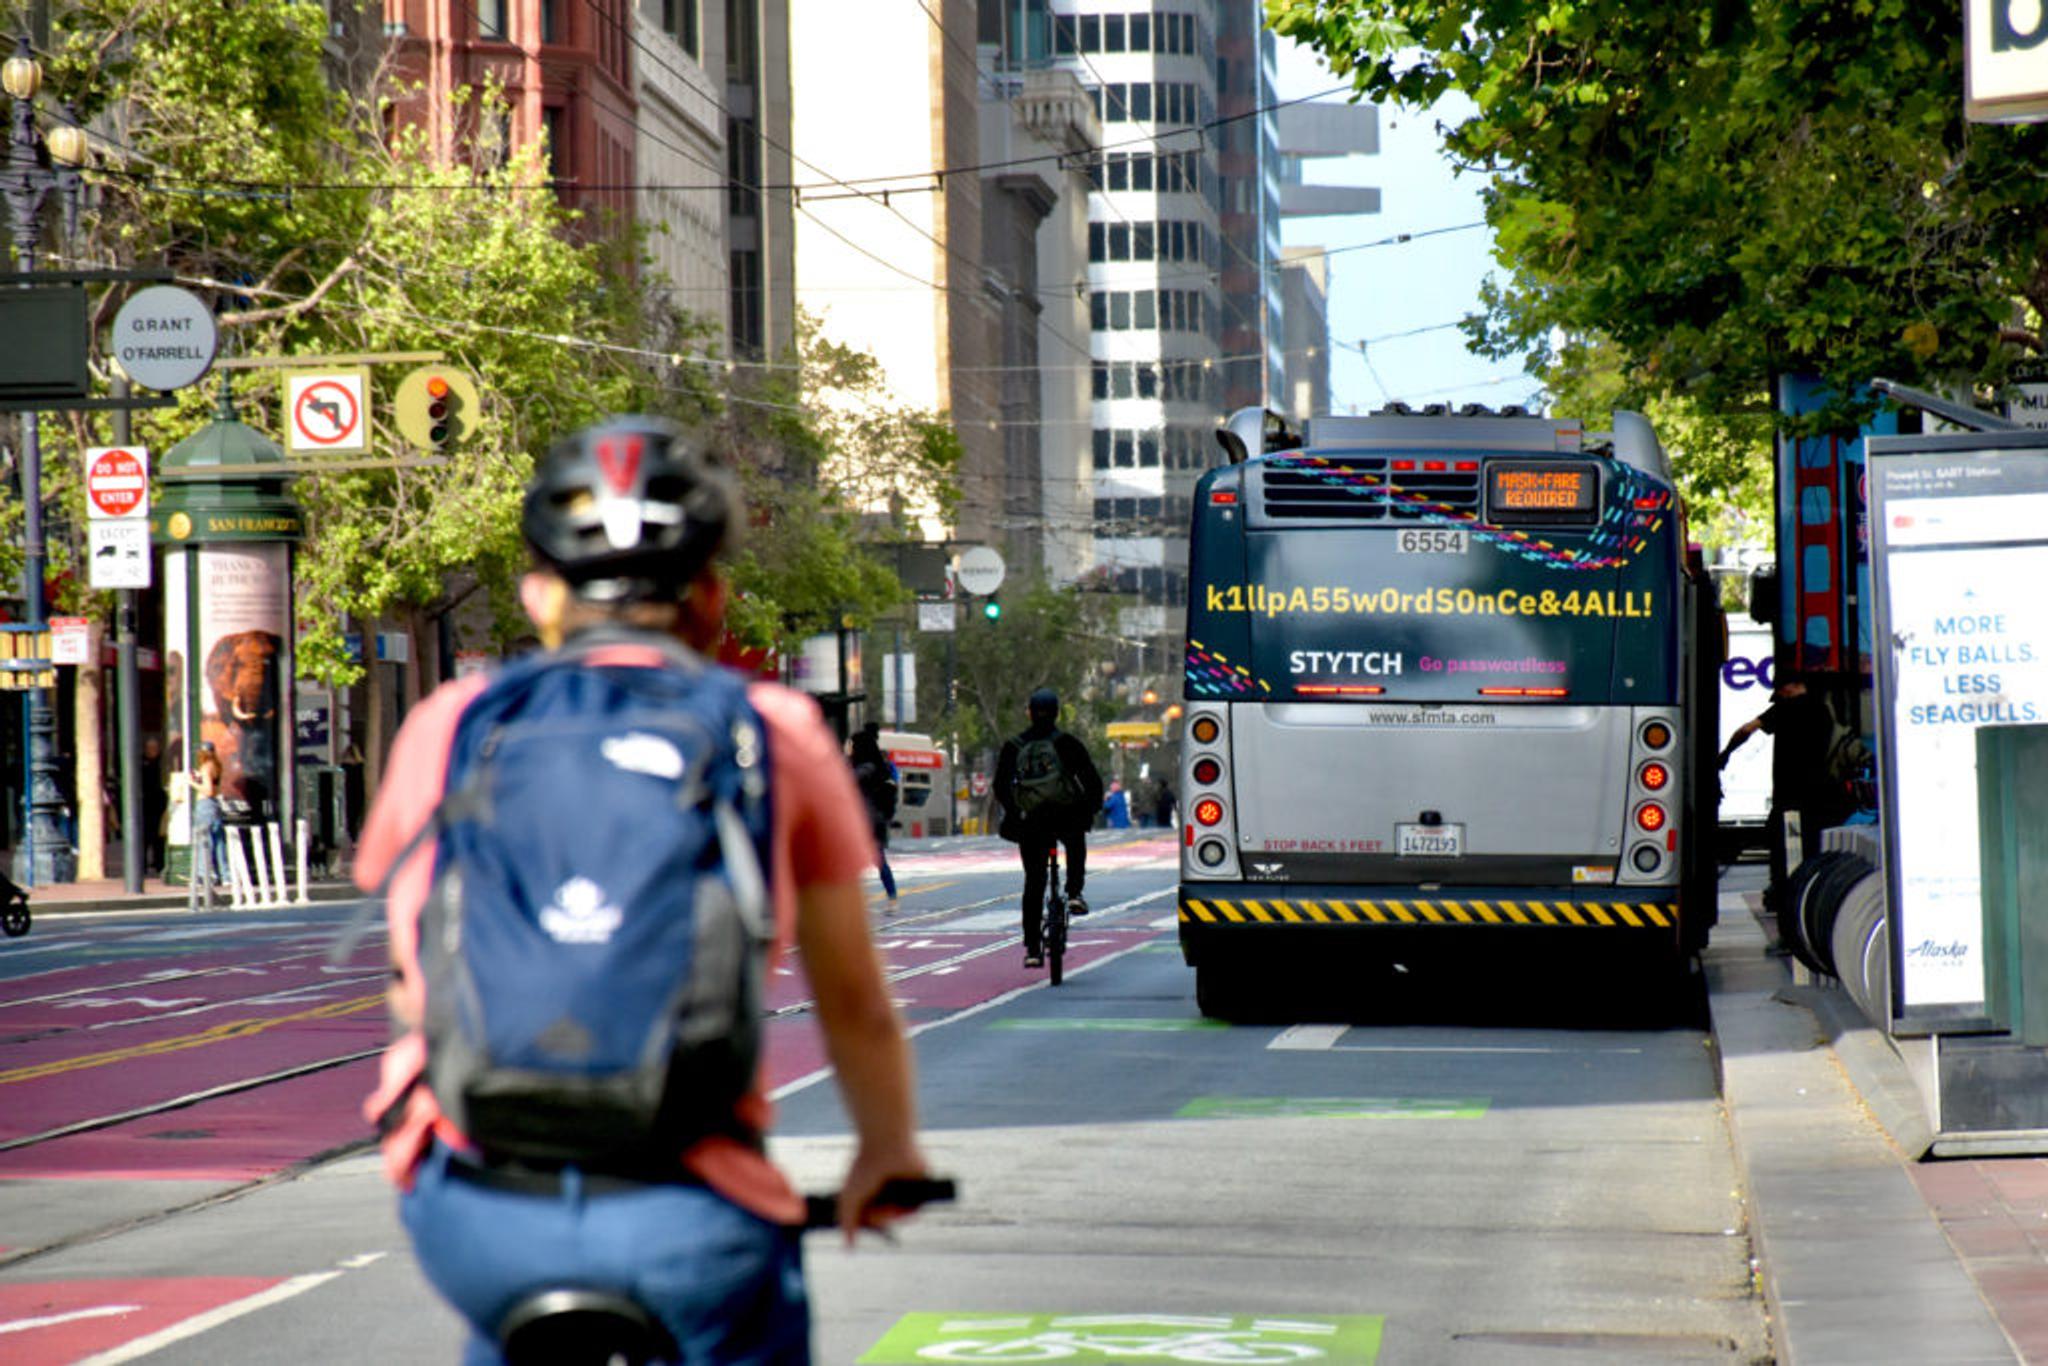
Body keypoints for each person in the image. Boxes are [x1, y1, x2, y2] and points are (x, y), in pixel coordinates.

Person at [355, 416, 928, 1364]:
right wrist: (886, 1153)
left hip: (475, 1213)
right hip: (689, 1209)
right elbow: (855, 1002)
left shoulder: (453, 722)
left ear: (541, 595)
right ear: (712, 595)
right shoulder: (770, 726)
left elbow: (414, 974)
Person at [994, 688, 1105, 968]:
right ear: (1057, 712)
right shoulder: (1068, 744)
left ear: (1030, 712)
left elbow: (1000, 787)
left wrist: (1015, 813)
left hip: (1031, 823)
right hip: (1066, 818)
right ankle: (1074, 892)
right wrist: (1089, 810)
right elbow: (1091, 781)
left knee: (1034, 882)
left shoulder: (1014, 746)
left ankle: (1032, 948)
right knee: (1076, 843)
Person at [1720, 670, 1856, 897]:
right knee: (1812, 843)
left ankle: (1782, 887)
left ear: (1790, 686)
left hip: (1788, 792)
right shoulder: (1823, 711)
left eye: (1781, 690)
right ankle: (1810, 887)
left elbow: (1746, 731)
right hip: (1818, 792)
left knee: (1780, 841)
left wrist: (1725, 754)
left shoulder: (1783, 708)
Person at [848, 722, 900, 913]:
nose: (850, 749)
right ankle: (892, 898)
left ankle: (891, 898)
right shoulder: (877, 766)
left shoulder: (867, 768)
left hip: (866, 822)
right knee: (877, 861)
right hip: (872, 821)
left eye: (853, 745)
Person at [190, 740, 226, 894]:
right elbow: (213, 787)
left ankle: (204, 874)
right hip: (215, 806)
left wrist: (192, 783)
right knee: (218, 841)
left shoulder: (206, 767)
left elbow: (208, 790)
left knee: (204, 841)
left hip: (205, 805)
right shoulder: (216, 766)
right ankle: (224, 874)